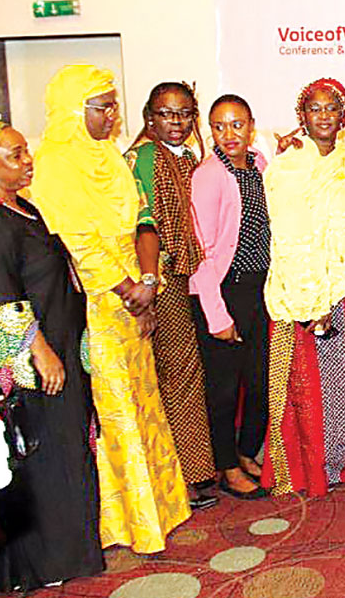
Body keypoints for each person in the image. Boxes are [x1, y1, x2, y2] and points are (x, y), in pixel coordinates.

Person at [28, 64, 190, 553]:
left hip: (136, 292)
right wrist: (126, 288)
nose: (113, 116)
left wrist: (148, 282)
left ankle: (160, 507)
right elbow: (78, 242)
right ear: (73, 110)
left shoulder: (110, 157)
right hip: (96, 304)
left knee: (144, 400)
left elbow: (142, 218)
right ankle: (127, 522)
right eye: (103, 107)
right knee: (114, 408)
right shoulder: (54, 163)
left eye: (114, 106)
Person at [0, 117, 98, 591]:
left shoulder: (21, 206)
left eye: (25, 150)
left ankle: (72, 553)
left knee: (68, 449)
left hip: (61, 345)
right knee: (41, 455)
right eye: (15, 155)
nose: (28, 160)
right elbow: (0, 297)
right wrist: (40, 351)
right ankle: (42, 564)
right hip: (31, 360)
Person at [263, 77, 345, 496]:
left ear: (344, 116)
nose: (323, 116)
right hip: (307, 295)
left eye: (331, 108)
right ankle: (313, 470)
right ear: (302, 116)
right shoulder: (285, 169)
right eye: (314, 109)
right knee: (312, 389)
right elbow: (288, 238)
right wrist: (311, 301)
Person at [124, 82, 216, 509]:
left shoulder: (188, 157)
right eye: (166, 113)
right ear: (149, 118)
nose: (176, 122)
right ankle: (187, 476)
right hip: (160, 278)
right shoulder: (144, 157)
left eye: (184, 114)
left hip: (188, 273)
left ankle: (197, 467)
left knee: (191, 371)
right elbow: (144, 223)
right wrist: (150, 277)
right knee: (179, 373)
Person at [188, 95, 271, 500]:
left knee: (258, 381)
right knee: (223, 389)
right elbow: (202, 252)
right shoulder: (208, 175)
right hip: (222, 290)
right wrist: (216, 315)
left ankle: (245, 451)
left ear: (251, 126)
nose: (229, 134)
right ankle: (226, 467)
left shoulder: (260, 165)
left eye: (237, 124)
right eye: (219, 126)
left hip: (258, 288)